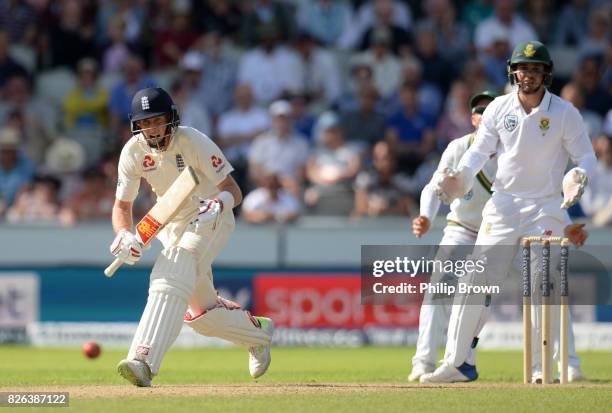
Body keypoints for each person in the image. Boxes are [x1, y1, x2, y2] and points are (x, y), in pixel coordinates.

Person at [422, 41, 596, 383]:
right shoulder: (499, 108)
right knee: (473, 283)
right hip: (502, 206)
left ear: (545, 73)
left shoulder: (564, 113)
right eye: (522, 69)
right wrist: (462, 177)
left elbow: (586, 157)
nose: (527, 75)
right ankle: (456, 364)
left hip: (545, 206)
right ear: (512, 72)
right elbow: (479, 153)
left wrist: (579, 176)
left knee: (542, 286)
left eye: (534, 70)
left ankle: (545, 368)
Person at [109, 87, 274, 387]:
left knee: (173, 267)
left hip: (210, 215)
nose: (152, 129)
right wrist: (123, 235)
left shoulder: (193, 140)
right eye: (145, 123)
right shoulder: (133, 151)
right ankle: (257, 333)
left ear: (171, 118)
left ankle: (143, 361)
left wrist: (218, 204)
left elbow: (234, 190)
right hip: (170, 223)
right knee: (201, 315)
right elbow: (122, 206)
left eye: (157, 121)